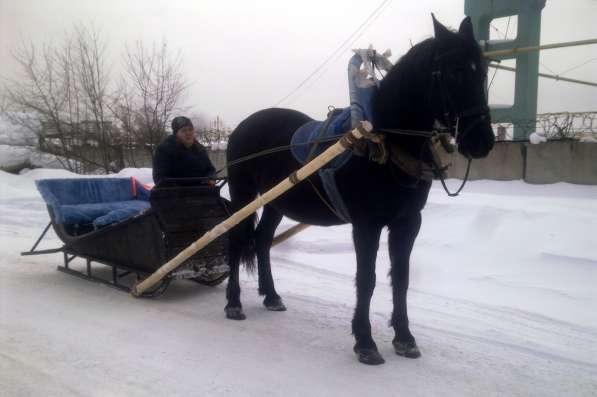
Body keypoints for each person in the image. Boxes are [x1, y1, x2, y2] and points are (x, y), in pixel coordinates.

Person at [152, 116, 216, 185]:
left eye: (190, 129)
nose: (188, 133)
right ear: (176, 134)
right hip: (174, 194)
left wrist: (211, 178)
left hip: (201, 192)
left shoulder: (200, 149)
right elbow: (159, 179)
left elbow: (210, 170)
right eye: (184, 130)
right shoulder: (164, 150)